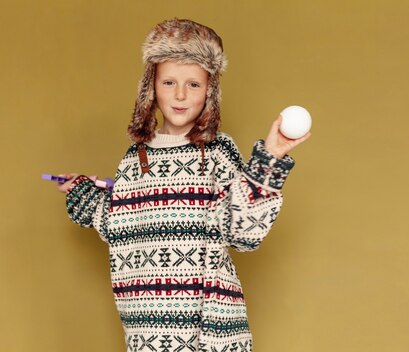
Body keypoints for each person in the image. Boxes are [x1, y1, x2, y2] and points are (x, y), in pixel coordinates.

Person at [55, 18, 310, 352]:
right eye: (169, 82)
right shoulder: (135, 159)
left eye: (193, 84)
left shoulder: (218, 152)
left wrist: (271, 157)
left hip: (213, 335)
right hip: (148, 333)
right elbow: (123, 225)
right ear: (152, 87)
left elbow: (243, 233)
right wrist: (86, 194)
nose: (179, 95)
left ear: (210, 90)